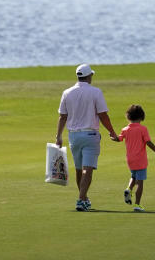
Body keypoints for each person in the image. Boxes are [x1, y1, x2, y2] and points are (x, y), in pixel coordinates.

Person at [55, 64, 119, 212]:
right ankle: (80, 199)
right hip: (90, 135)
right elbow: (103, 115)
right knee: (87, 170)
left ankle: (84, 199)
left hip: (74, 136)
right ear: (89, 76)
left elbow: (62, 117)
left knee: (79, 170)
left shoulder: (67, 92)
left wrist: (58, 136)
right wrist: (112, 132)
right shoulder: (96, 92)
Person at [118, 104, 155, 212]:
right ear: (141, 117)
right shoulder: (142, 129)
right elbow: (148, 142)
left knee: (133, 175)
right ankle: (137, 204)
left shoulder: (125, 129)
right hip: (140, 159)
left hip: (130, 159)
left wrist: (113, 137)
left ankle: (128, 189)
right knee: (140, 182)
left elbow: (119, 138)